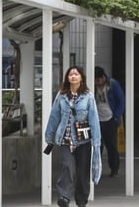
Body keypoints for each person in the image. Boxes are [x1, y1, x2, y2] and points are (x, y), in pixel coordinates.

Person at [44, 66, 102, 207]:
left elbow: (94, 119)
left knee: (82, 172)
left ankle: (81, 201)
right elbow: (54, 116)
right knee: (67, 167)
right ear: (67, 78)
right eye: (71, 74)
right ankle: (64, 197)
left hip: (83, 140)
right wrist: (49, 137)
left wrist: (96, 141)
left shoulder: (88, 97)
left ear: (81, 78)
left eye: (76, 74)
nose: (73, 76)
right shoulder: (61, 96)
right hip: (65, 139)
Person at [94, 66, 125, 177]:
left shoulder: (112, 84)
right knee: (98, 146)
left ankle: (114, 168)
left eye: (98, 80)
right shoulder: (93, 86)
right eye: (95, 80)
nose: (97, 82)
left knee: (112, 145)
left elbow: (121, 100)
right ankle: (97, 169)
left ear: (103, 77)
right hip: (97, 120)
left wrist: (116, 116)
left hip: (110, 119)